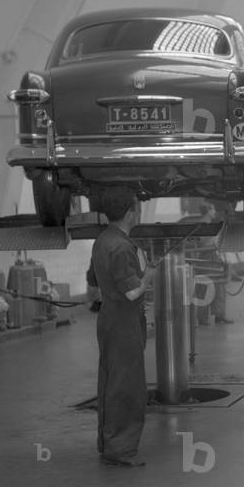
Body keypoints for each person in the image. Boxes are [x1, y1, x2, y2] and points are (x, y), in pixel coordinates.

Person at [87, 187, 154, 467]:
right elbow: (132, 293)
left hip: (108, 319)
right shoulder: (122, 246)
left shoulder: (102, 240)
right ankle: (122, 449)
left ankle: (108, 442)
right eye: (136, 207)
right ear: (129, 212)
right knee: (127, 386)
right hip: (124, 320)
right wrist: (149, 274)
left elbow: (92, 280)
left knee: (110, 381)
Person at [179, 201, 232, 324]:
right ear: (208, 211)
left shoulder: (208, 224)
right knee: (204, 286)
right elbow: (199, 242)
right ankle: (203, 317)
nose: (214, 212)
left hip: (210, 257)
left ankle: (217, 315)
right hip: (205, 257)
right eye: (212, 210)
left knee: (217, 286)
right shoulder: (203, 226)